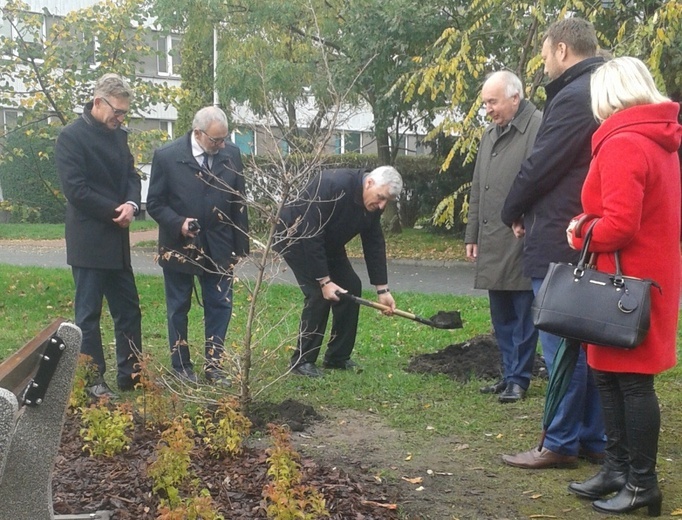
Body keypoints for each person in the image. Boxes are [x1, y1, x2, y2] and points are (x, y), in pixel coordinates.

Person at [565, 57, 681, 516]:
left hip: (622, 283)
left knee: (631, 384)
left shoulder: (623, 142)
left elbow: (618, 224)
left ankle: (641, 484)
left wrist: (577, 228)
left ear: (605, 95)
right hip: (642, 278)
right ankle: (618, 471)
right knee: (610, 376)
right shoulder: (660, 141)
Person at [500, 18, 606, 468]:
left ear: (562, 50)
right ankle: (591, 438)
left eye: (544, 54)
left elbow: (541, 166)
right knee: (586, 343)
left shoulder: (573, 97)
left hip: (562, 237)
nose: (543, 63)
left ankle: (560, 441)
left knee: (563, 344)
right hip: (582, 233)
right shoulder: (602, 90)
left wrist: (512, 210)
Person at [146, 106, 249, 386]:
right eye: (216, 140)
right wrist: (178, 222)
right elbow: (154, 203)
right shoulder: (167, 157)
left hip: (220, 244)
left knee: (220, 305)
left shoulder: (231, 155)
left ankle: (214, 366)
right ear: (198, 133)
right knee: (178, 307)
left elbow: (238, 201)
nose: (222, 145)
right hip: (180, 244)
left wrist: (241, 247)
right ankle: (181, 366)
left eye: (224, 139)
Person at [55, 73, 142, 399]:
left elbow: (132, 175)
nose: (120, 119)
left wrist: (132, 204)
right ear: (97, 102)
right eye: (117, 112)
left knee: (129, 310)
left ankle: (132, 375)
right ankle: (93, 380)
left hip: (117, 241)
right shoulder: (71, 137)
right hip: (89, 240)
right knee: (88, 315)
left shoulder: (119, 136)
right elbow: (76, 191)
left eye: (124, 114)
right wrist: (115, 211)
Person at [275, 166, 402, 377]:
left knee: (351, 286)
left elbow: (374, 242)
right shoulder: (332, 185)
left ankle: (337, 357)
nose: (381, 205)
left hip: (328, 243)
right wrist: (324, 281)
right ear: (369, 183)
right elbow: (309, 233)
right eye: (380, 198)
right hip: (296, 238)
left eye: (386, 201)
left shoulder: (374, 204)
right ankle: (302, 361)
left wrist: (383, 289)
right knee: (319, 294)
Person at [465, 71, 542, 403]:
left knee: (525, 313)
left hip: (523, 236)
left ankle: (519, 379)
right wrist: (472, 233)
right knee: (502, 315)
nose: (488, 110)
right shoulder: (489, 135)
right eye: (485, 103)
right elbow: (478, 188)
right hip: (494, 238)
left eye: (492, 102)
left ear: (515, 98)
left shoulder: (538, 126)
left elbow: (541, 180)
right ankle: (509, 373)